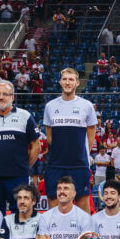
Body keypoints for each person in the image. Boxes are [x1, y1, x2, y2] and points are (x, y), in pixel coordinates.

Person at [0, 80, 40, 214]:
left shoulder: (25, 116)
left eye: (5, 94)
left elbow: (36, 145)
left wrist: (25, 165)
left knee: (20, 214)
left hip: (18, 176)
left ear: (12, 97)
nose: (1, 97)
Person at [43, 68, 98, 213]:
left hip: (79, 164)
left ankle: (83, 237)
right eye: (65, 79)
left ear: (77, 83)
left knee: (83, 208)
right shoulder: (50, 106)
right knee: (53, 207)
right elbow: (49, 136)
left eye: (71, 79)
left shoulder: (86, 106)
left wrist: (81, 152)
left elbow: (90, 135)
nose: (68, 82)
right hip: (56, 164)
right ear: (60, 82)